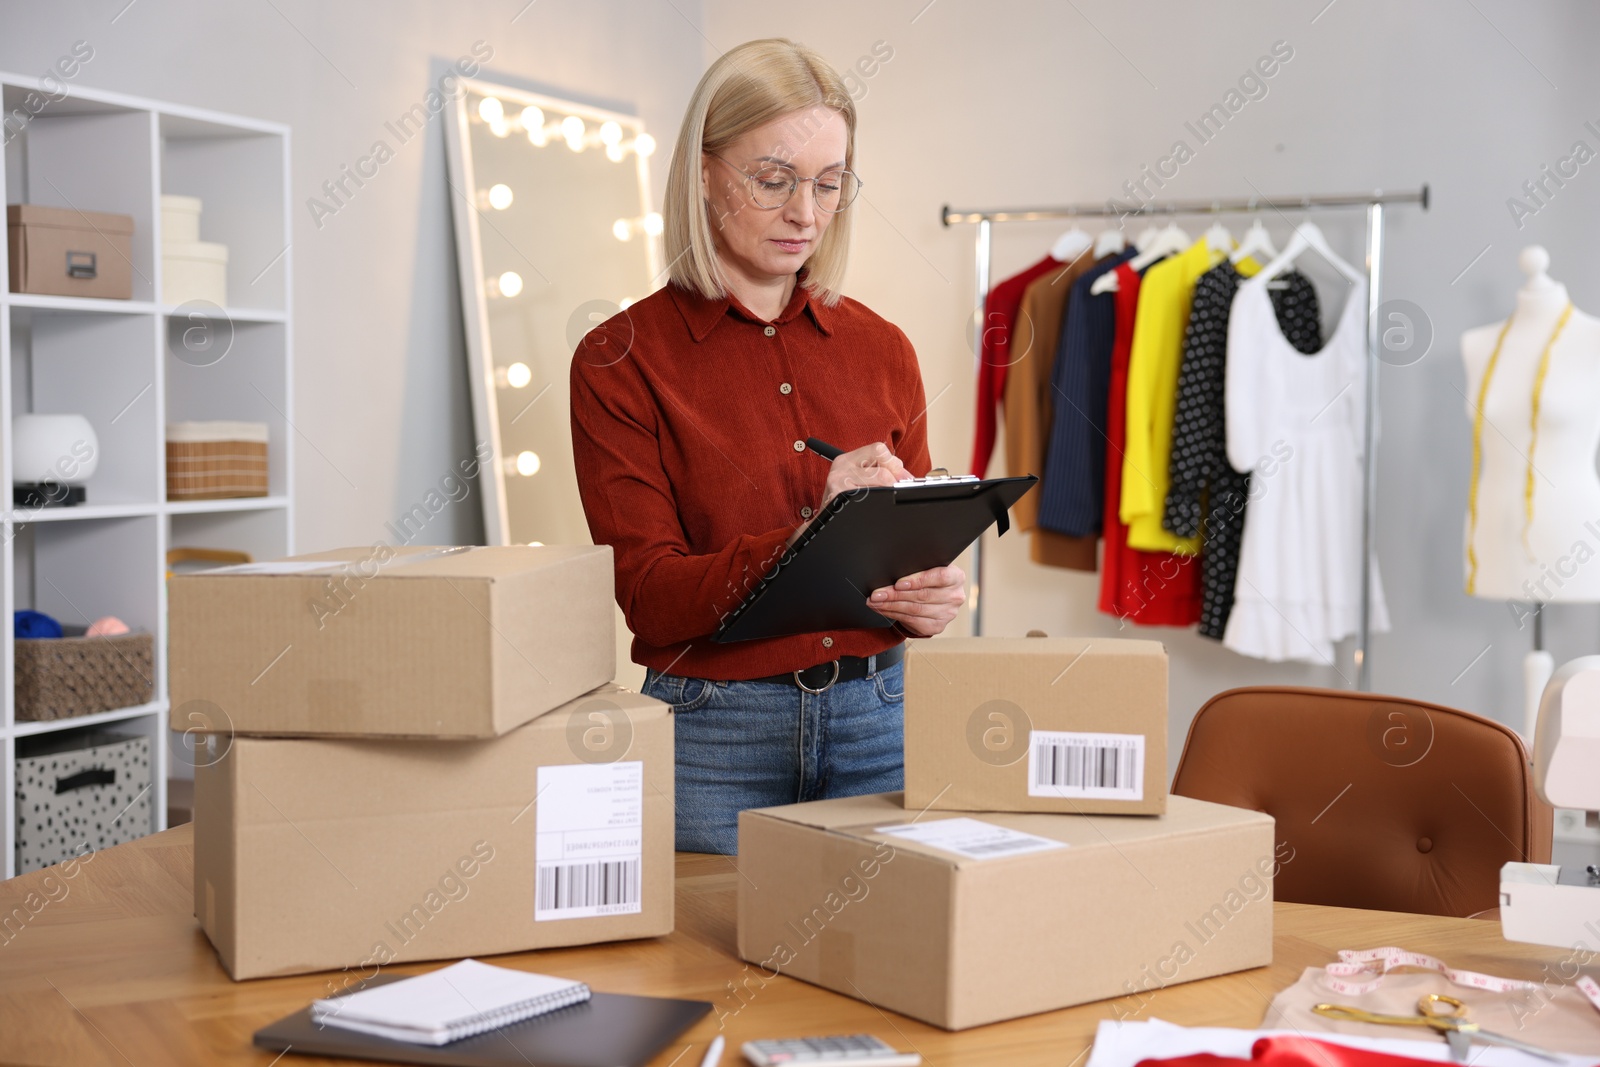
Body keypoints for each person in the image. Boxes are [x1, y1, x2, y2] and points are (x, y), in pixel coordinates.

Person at [569, 38, 965, 855]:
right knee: (708, 973)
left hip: (878, 720)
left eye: (830, 184)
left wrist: (927, 598)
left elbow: (908, 553)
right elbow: (648, 594)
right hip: (714, 737)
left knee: (875, 966)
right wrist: (808, 538)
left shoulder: (885, 348)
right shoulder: (619, 358)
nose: (806, 215)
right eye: (774, 179)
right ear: (703, 173)